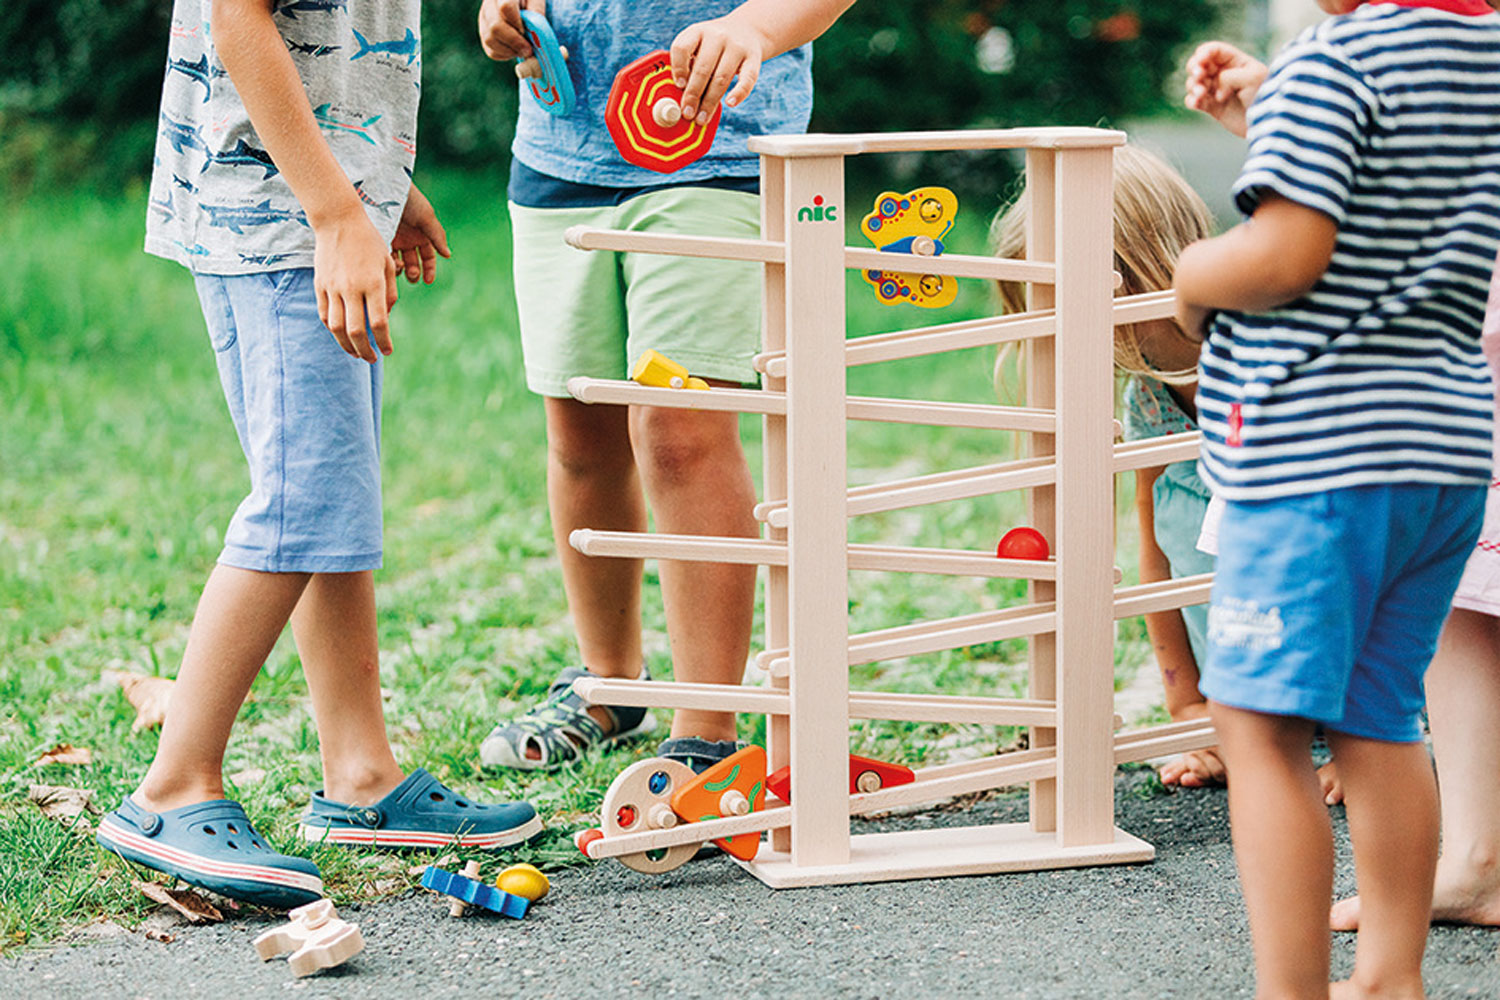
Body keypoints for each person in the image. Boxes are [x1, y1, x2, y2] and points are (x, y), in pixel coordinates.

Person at [97, 0, 539, 910]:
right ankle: (174, 783)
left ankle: (361, 776)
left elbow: (328, 47)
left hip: (305, 207)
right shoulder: (312, 214)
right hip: (281, 222)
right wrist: (336, 208)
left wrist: (378, 185)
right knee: (300, 502)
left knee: (333, 498)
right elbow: (240, 21)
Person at [1172, 3, 1500, 997]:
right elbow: (1405, 186)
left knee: (1261, 726)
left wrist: (1192, 276)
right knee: (1381, 716)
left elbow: (1284, 257)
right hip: (1441, 446)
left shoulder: (1336, 63)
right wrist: (1274, 109)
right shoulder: (1479, 54)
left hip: (1318, 449)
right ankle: (1391, 975)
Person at [475, 0, 855, 775]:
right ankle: (609, 681)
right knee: (582, 429)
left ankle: (708, 726)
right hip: (560, 149)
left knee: (681, 429)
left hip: (719, 153)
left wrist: (755, 27)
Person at [991, 145, 1229, 787]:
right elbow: (1156, 557)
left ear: (1133, 275)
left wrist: (1360, 743)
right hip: (1243, 687)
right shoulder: (1148, 395)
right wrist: (1189, 707)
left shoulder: (1268, 362)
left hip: (1345, 678)